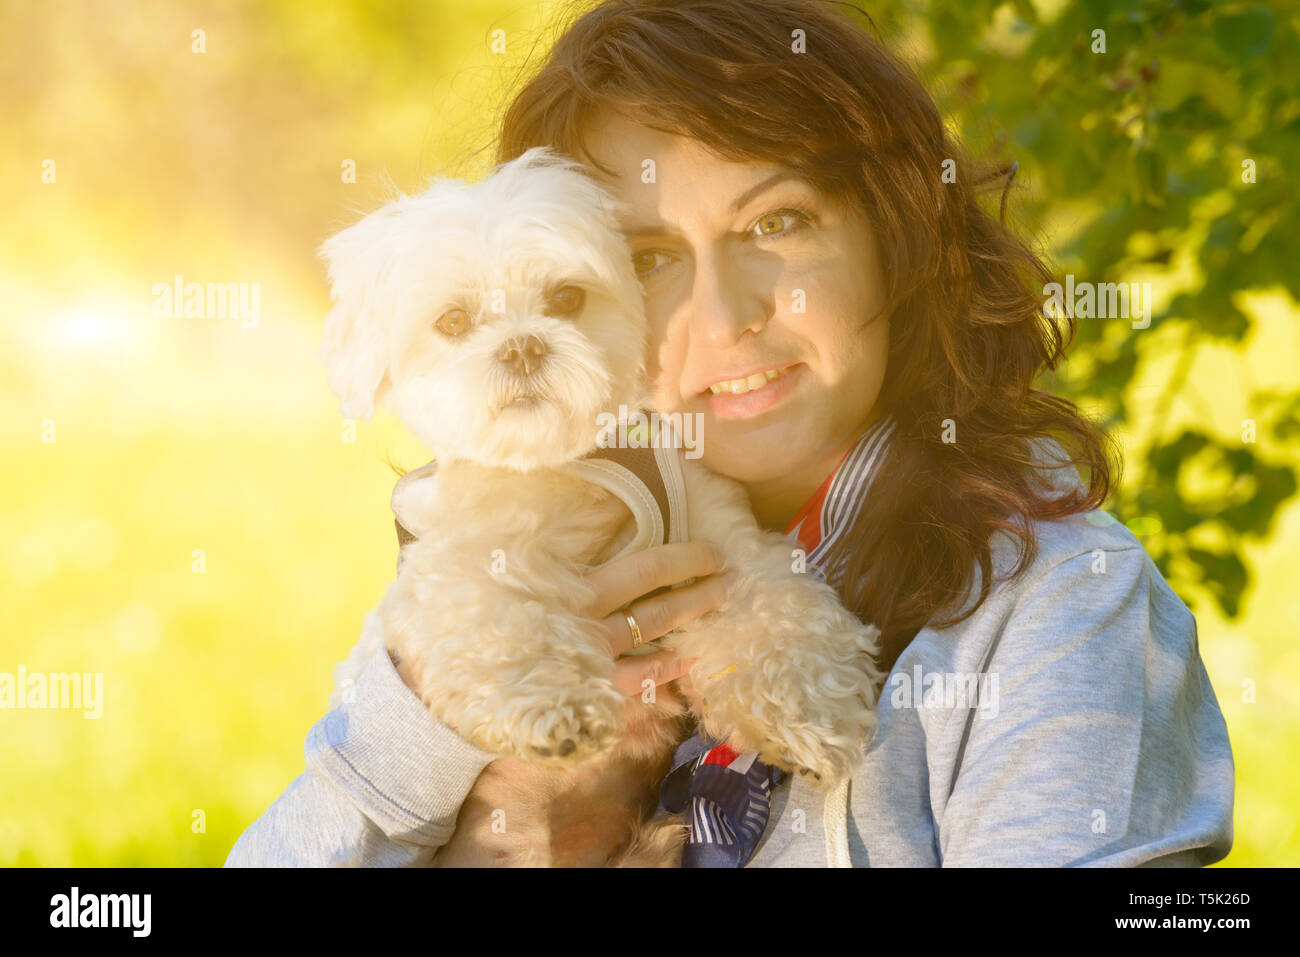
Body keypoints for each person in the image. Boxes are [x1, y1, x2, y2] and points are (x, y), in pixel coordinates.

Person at [226, 0, 1233, 867]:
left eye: (776, 223)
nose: (724, 314)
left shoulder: (1057, 611)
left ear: (895, 237)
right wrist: (428, 745)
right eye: (653, 254)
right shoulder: (509, 550)